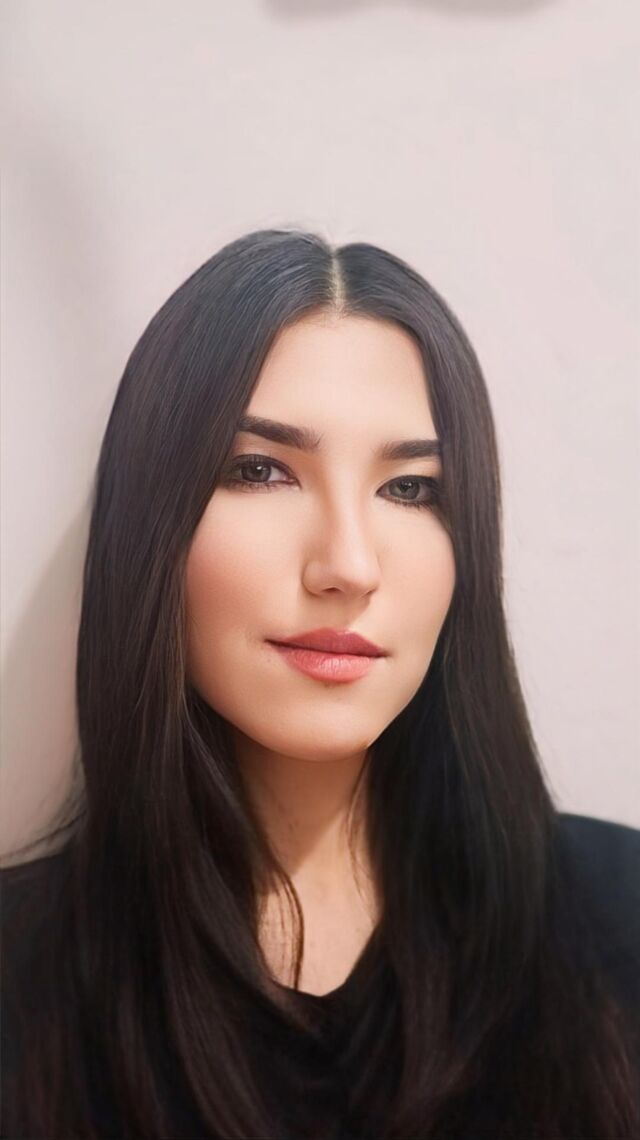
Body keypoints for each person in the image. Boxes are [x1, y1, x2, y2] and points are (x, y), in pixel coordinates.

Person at [1, 227, 638, 1139]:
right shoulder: (20, 983)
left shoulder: (620, 915)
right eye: (260, 470)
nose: (349, 565)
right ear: (151, 527)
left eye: (411, 489)